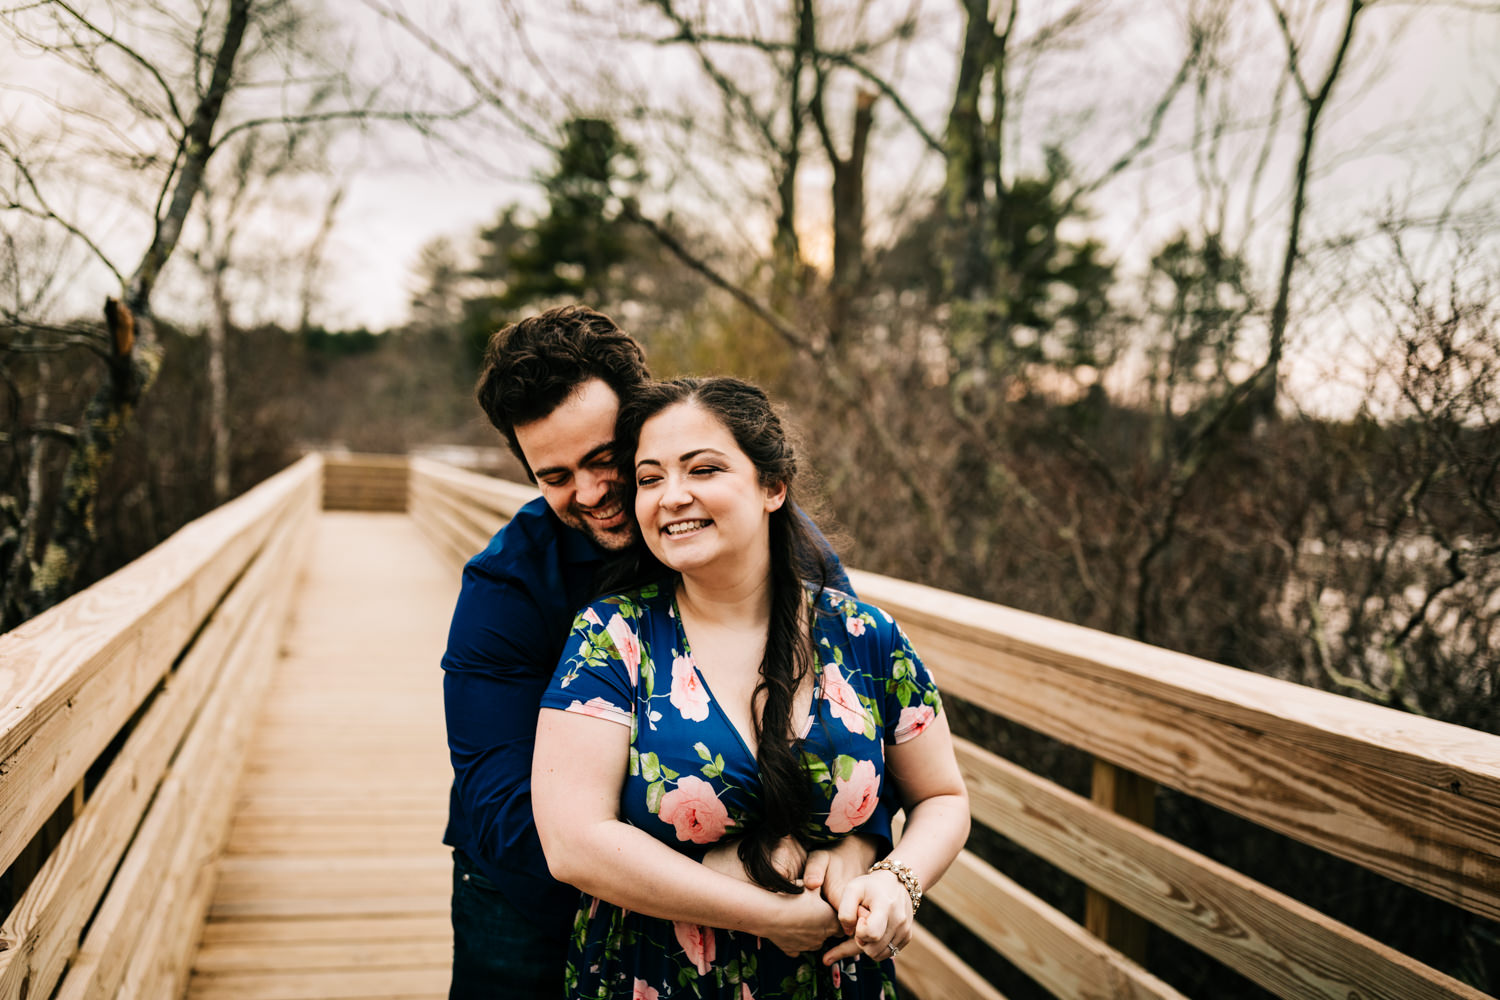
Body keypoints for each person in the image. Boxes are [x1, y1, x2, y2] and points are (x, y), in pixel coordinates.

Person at [442, 307, 882, 999]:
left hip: (753, 905)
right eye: (553, 475)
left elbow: (852, 716)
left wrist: (859, 842)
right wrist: (718, 886)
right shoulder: (506, 589)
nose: (589, 493)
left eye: (603, 460)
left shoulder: (773, 550)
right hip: (528, 901)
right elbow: (506, 810)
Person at [532, 377, 971, 999]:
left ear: (773, 486)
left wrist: (900, 879)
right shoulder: (613, 637)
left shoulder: (864, 634)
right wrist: (774, 918)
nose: (671, 497)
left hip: (835, 982)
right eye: (650, 479)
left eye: (702, 469)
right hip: (656, 977)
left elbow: (943, 797)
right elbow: (573, 843)